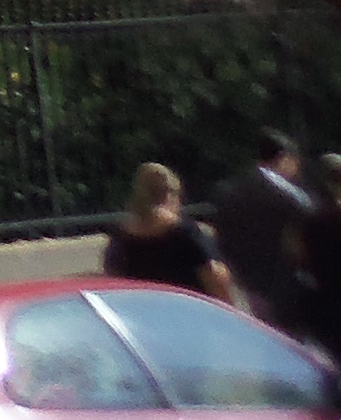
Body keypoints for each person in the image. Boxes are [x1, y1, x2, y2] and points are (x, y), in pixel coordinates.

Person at [209, 127, 326, 346]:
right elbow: (313, 227)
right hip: (284, 290)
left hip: (243, 287)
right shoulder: (290, 195)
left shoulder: (228, 192)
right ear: (283, 157)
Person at [104, 161, 240, 304]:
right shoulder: (184, 233)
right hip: (188, 313)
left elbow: (113, 280)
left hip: (143, 316)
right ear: (170, 194)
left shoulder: (121, 234)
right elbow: (214, 279)